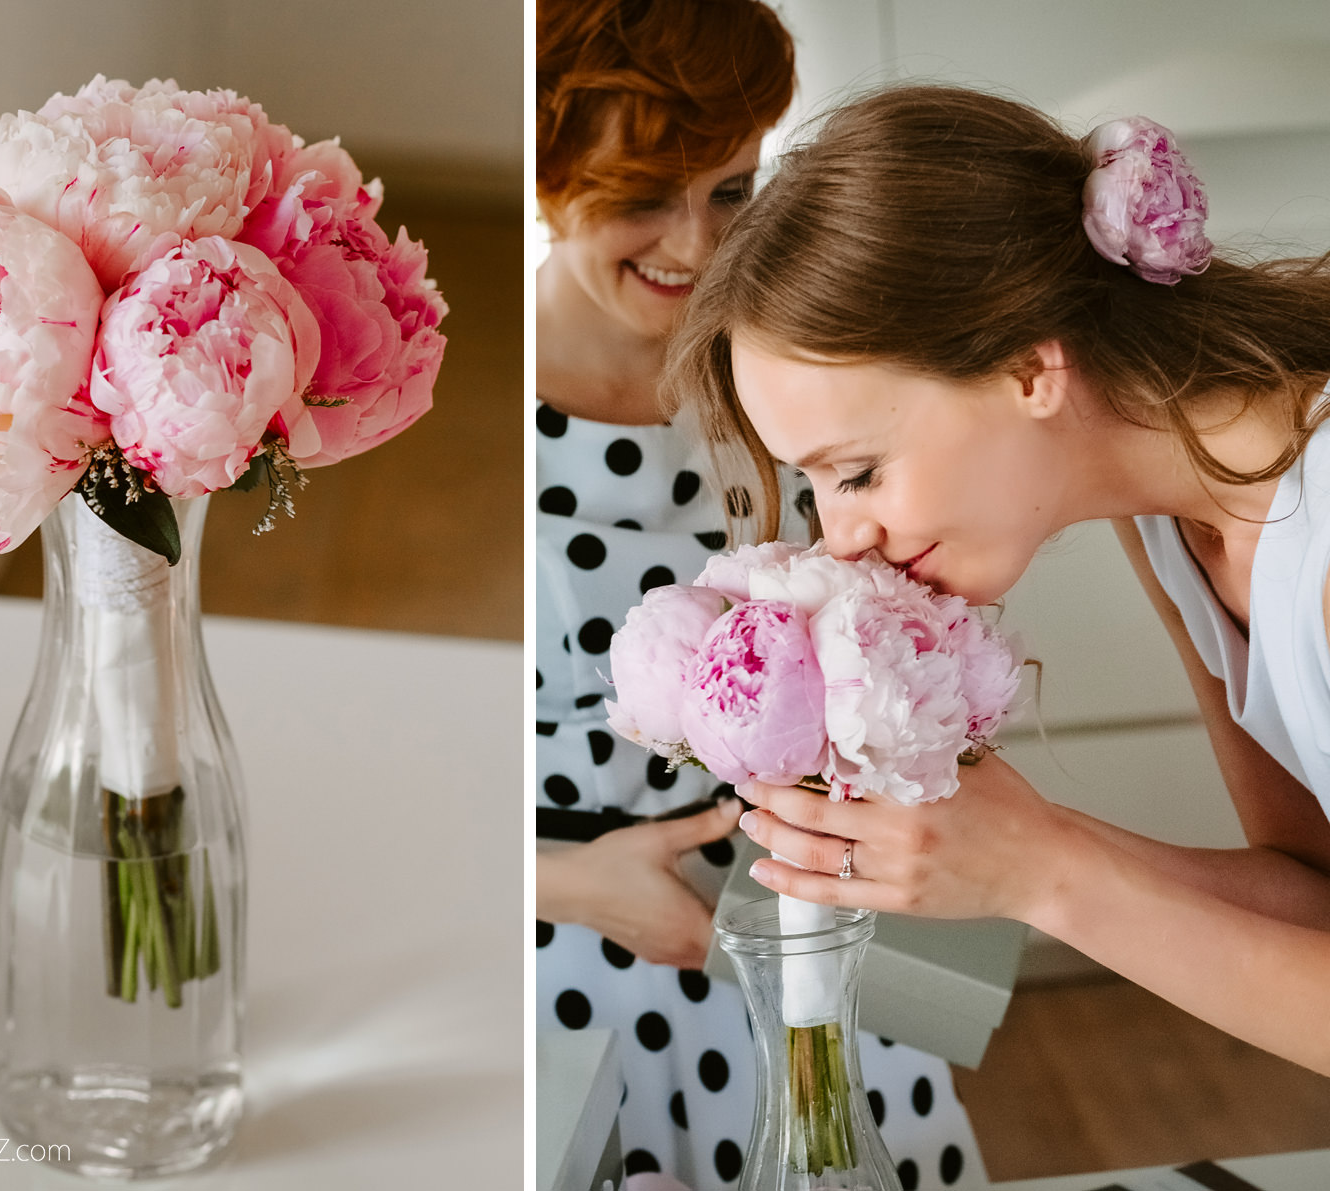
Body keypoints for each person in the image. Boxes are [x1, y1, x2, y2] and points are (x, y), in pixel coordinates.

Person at [668, 82, 1330, 1075]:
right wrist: (1021, 846)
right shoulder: (1169, 517)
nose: (839, 538)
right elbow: (1310, 888)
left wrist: (1046, 873)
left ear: (1029, 369)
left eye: (857, 472)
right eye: (812, 485)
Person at [536, 8, 990, 1187]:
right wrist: (572, 884)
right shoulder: (476, 408)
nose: (694, 243)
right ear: (548, 175)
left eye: (730, 188)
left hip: (799, 933)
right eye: (642, 194)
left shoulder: (785, 375)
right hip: (569, 948)